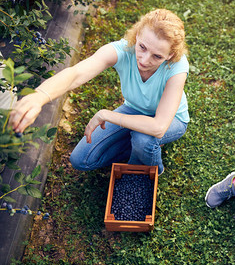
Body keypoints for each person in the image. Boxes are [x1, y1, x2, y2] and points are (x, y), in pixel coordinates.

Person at [9, 9, 190, 175]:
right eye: (142, 47)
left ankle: (151, 166)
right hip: (134, 110)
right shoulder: (122, 49)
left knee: (145, 138)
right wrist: (40, 95)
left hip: (172, 119)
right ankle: (136, 143)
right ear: (137, 36)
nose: (144, 59)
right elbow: (76, 73)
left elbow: (158, 127)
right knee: (81, 160)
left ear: (170, 56)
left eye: (157, 56)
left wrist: (107, 115)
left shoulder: (177, 66)